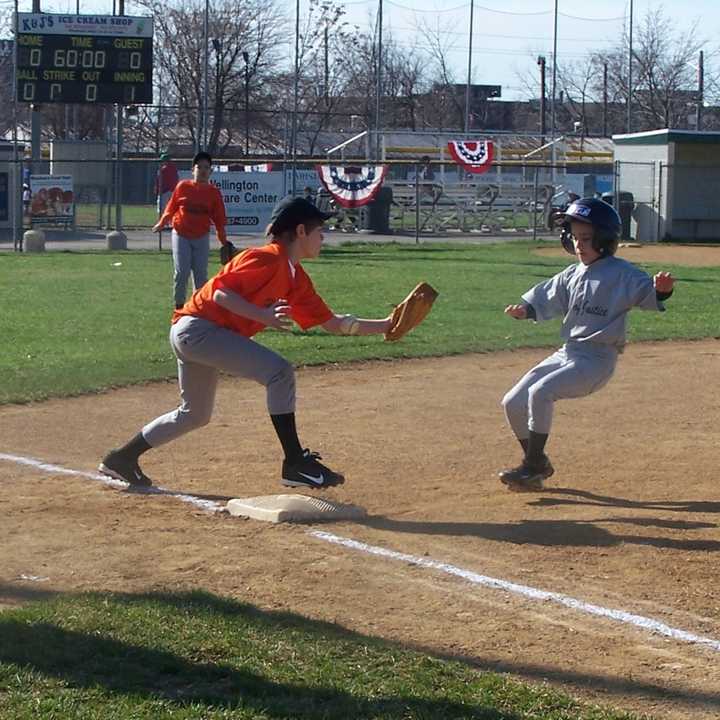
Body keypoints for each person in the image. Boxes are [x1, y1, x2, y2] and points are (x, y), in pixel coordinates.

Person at [99, 196, 394, 490]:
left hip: (198, 336)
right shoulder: (266, 257)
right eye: (319, 229)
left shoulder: (296, 278)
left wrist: (386, 325)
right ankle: (294, 462)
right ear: (301, 231)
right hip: (199, 330)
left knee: (195, 415)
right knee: (279, 372)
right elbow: (220, 294)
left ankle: (122, 458)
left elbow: (333, 323)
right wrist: (262, 315)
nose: (323, 236)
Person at [498, 197, 675, 492]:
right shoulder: (573, 273)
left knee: (541, 392)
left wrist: (662, 291)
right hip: (567, 352)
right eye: (575, 237)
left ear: (605, 240)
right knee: (512, 402)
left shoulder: (622, 273)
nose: (579, 245)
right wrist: (525, 311)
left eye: (587, 238)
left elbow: (649, 294)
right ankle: (538, 461)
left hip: (597, 360)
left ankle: (530, 467)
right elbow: (548, 298)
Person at [153, 151, 229, 309]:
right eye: (199, 167)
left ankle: (198, 308)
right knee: (182, 272)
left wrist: (223, 242)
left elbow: (219, 220)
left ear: (211, 171)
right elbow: (171, 208)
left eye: (206, 167)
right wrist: (162, 223)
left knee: (200, 275)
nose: (202, 170)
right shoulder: (183, 187)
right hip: (181, 234)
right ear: (193, 170)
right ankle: (179, 307)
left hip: (201, 236)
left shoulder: (213, 193)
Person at [155, 151, 179, 216]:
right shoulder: (174, 169)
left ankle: (163, 224)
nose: (161, 163)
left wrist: (157, 190)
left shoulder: (163, 170)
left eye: (162, 161)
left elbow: (159, 181)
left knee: (162, 210)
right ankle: (170, 224)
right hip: (173, 192)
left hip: (164, 192)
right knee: (171, 209)